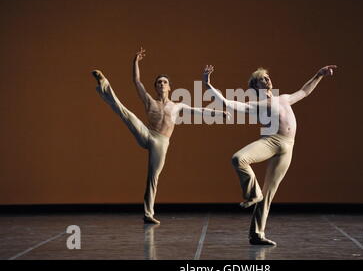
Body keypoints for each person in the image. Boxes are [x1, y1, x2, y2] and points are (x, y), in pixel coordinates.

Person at [203, 64, 337, 245]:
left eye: (267, 77)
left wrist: (319, 74)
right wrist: (208, 85)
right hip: (271, 141)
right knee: (238, 159)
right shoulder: (256, 105)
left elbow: (304, 91)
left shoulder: (284, 98)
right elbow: (228, 104)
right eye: (262, 79)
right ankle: (252, 193)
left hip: (288, 147)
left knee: (269, 194)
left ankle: (256, 234)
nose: (267, 80)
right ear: (255, 87)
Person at [92, 48, 229, 224]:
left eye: (164, 82)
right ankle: (104, 84)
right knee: (125, 112)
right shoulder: (150, 100)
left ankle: (148, 213)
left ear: (169, 87)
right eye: (158, 82)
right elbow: (137, 81)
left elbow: (200, 111)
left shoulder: (177, 106)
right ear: (156, 87)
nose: (162, 84)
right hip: (147, 133)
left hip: (161, 143)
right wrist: (135, 62)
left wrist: (219, 114)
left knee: (153, 176)